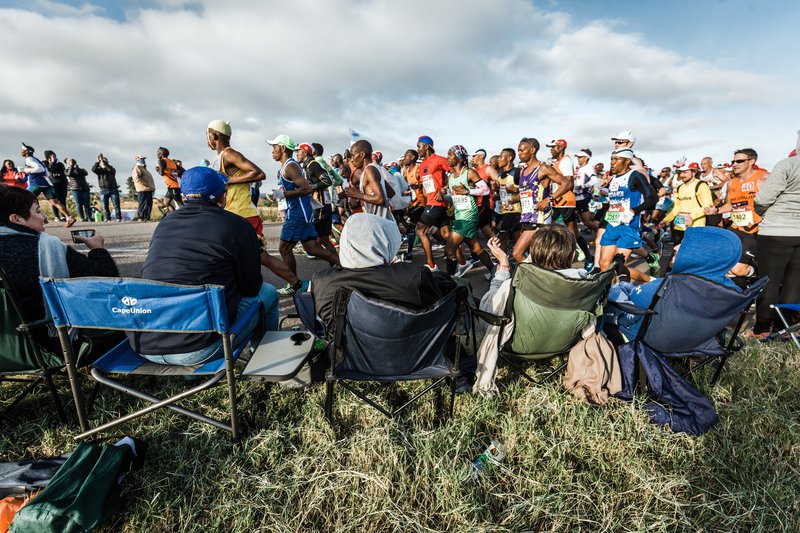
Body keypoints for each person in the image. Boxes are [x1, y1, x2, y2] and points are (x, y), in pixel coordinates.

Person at [126, 166, 279, 365]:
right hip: (198, 347)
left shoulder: (166, 222)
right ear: (223, 196)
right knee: (268, 293)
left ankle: (192, 376)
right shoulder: (237, 225)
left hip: (146, 343)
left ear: (183, 195)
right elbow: (251, 288)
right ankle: (265, 363)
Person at [0, 186, 118, 354]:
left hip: (6, 352)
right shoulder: (48, 248)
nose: (45, 218)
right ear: (16, 219)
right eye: (38, 211)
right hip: (52, 346)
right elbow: (108, 283)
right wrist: (97, 250)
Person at [312, 213, 455, 335]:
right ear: (384, 243)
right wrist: (399, 268)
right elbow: (444, 298)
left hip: (351, 360)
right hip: (414, 356)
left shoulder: (322, 281)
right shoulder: (413, 277)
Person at [207, 121, 305, 293]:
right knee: (233, 257)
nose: (206, 138)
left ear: (214, 135)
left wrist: (227, 180)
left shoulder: (230, 154)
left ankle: (300, 285)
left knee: (261, 257)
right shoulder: (219, 159)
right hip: (231, 214)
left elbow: (259, 173)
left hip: (243, 215)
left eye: (207, 134)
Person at [608, 227, 742, 341]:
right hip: (698, 341)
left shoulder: (669, 287)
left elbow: (633, 301)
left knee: (608, 303)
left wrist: (622, 281)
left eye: (684, 244)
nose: (676, 247)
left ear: (699, 254)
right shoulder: (729, 289)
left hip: (652, 339)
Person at [268, 133, 339, 292]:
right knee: (313, 248)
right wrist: (277, 195)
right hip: (302, 212)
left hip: (298, 214)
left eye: (274, 147)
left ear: (283, 148)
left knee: (284, 249)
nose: (272, 151)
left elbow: (306, 188)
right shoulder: (288, 165)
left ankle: (294, 285)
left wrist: (284, 194)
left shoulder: (291, 166)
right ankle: (349, 268)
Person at [752, 133, 800, 338]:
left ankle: (762, 328)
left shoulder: (788, 164)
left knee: (768, 281)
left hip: (776, 229)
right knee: (794, 281)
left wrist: (763, 213)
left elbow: (763, 198)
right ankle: (785, 329)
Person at [704, 148, 768, 279]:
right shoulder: (731, 183)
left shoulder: (763, 177)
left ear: (751, 161)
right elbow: (729, 205)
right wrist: (716, 210)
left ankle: (761, 274)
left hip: (755, 231)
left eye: (739, 161)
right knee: (719, 261)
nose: (734, 164)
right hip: (736, 228)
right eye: (733, 161)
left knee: (738, 270)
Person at [596, 147, 657, 281]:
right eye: (611, 159)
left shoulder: (635, 176)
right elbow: (617, 203)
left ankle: (652, 281)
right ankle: (610, 294)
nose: (612, 162)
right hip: (612, 225)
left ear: (627, 161)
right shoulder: (612, 180)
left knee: (618, 266)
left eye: (617, 159)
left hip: (629, 226)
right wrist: (601, 205)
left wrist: (634, 211)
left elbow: (653, 198)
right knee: (604, 265)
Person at [511, 137, 571, 263]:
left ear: (532, 150)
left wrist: (549, 199)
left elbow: (567, 183)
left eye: (522, 150)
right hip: (527, 216)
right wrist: (512, 201)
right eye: (518, 151)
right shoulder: (523, 171)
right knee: (536, 255)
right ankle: (540, 276)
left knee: (517, 253)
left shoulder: (543, 168)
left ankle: (535, 278)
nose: (519, 154)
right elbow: (526, 193)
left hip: (539, 218)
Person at [442, 145, 494, 276]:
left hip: (469, 215)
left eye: (450, 154)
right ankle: (494, 271)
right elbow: (453, 196)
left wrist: (467, 191)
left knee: (450, 246)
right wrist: (444, 194)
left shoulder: (469, 172)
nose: (447, 158)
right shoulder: (451, 176)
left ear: (459, 157)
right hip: (459, 216)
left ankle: (450, 281)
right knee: (476, 248)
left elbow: (486, 190)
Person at [414, 135, 451, 271]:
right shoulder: (422, 164)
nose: (417, 149)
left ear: (426, 146)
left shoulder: (439, 160)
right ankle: (463, 261)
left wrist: (444, 189)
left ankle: (431, 266)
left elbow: (454, 172)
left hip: (437, 203)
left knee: (420, 230)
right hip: (430, 202)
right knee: (446, 235)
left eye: (419, 146)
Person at [18, 143, 76, 228]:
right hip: (47, 183)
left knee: (23, 199)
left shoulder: (29, 159)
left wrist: (25, 169)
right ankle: (69, 217)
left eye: (22, 149)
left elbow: (39, 169)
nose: (21, 151)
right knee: (55, 202)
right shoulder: (35, 159)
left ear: (27, 151)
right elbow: (46, 172)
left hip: (36, 183)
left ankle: (35, 220)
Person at [295, 142, 337, 258]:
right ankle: (336, 262)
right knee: (322, 238)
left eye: (298, 151)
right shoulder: (307, 165)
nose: (296, 154)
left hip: (320, 205)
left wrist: (310, 187)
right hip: (319, 205)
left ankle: (336, 262)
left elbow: (327, 181)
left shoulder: (313, 165)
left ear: (305, 152)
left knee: (320, 238)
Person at [662, 162, 713, 245]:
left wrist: (691, 217)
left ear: (694, 172)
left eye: (685, 172)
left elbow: (707, 206)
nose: (681, 175)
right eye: (680, 173)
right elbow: (677, 207)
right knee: (677, 251)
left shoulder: (701, 185)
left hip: (696, 225)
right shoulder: (680, 187)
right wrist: (666, 219)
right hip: (680, 225)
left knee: (694, 252)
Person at [343, 139, 393, 221]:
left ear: (362, 155)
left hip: (379, 222)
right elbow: (391, 192)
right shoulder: (372, 169)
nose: (351, 160)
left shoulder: (369, 170)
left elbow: (380, 199)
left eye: (353, 155)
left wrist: (358, 195)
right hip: (380, 220)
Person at [401, 148, 424, 262]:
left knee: (412, 227)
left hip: (422, 203)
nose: (404, 158)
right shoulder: (406, 171)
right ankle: (445, 241)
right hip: (413, 203)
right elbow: (407, 188)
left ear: (412, 157)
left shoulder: (418, 170)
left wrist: (418, 186)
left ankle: (409, 255)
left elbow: (426, 184)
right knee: (432, 228)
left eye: (406, 156)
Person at [91, 154, 121, 222]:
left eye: (105, 160)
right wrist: (98, 162)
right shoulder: (99, 171)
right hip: (103, 190)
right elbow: (93, 169)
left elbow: (111, 170)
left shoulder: (111, 168)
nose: (103, 161)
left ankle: (118, 218)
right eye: (102, 161)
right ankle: (107, 218)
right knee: (105, 206)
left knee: (116, 205)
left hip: (113, 189)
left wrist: (105, 164)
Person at [155, 147, 183, 212]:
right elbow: (183, 171)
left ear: (161, 154)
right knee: (166, 203)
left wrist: (157, 170)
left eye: (158, 152)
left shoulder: (161, 161)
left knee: (180, 204)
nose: (157, 154)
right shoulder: (171, 162)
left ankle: (189, 216)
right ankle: (173, 216)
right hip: (173, 186)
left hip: (173, 186)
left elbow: (162, 173)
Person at [43, 151, 68, 222]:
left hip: (62, 184)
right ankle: (57, 216)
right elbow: (50, 170)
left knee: (63, 200)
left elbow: (62, 173)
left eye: (55, 156)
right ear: (48, 158)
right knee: (55, 201)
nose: (54, 157)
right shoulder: (46, 164)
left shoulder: (60, 164)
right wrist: (52, 163)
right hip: (53, 185)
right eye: (52, 156)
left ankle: (64, 216)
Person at [131, 155, 156, 222]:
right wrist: (145, 184)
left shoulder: (144, 168)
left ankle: (147, 217)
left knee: (148, 204)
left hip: (148, 189)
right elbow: (136, 178)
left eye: (143, 159)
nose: (143, 160)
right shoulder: (137, 168)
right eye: (142, 159)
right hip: (142, 189)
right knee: (142, 203)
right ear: (138, 160)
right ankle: (141, 217)